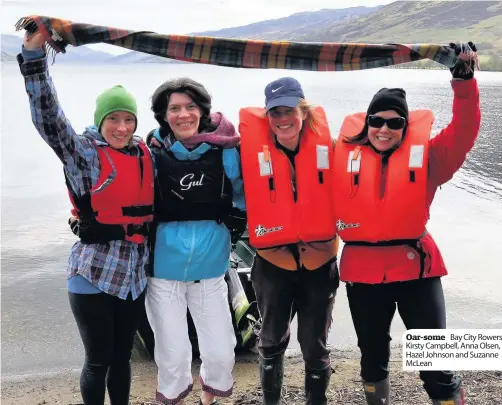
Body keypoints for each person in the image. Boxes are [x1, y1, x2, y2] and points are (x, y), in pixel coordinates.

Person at [333, 42, 480, 405]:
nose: (384, 129)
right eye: (376, 121)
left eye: (395, 122)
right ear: (367, 123)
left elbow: (464, 131)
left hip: (417, 270)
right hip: (363, 273)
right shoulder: (341, 160)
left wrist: (464, 81)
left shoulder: (430, 160)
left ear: (404, 125)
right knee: (372, 361)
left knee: (435, 362)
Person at [19, 32, 154, 405]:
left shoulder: (146, 154)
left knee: (122, 360)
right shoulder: (83, 154)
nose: (122, 127)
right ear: (101, 120)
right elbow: (48, 117)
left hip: (133, 277)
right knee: (98, 361)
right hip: (93, 275)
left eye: (129, 119)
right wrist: (33, 55)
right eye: (114, 119)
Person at [145, 78, 246, 405]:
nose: (183, 114)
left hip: (211, 271)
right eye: (174, 108)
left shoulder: (226, 152)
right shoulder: (151, 154)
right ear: (163, 115)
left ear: (203, 111)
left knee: (220, 353)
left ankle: (208, 398)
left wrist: (237, 225)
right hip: (163, 274)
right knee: (172, 357)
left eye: (191, 107)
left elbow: (246, 196)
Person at [238, 77, 339, 405]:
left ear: (304, 111)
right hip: (272, 264)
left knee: (314, 344)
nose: (283, 119)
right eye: (275, 112)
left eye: (290, 110)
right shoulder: (249, 152)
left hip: (319, 261)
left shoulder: (332, 148)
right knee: (269, 341)